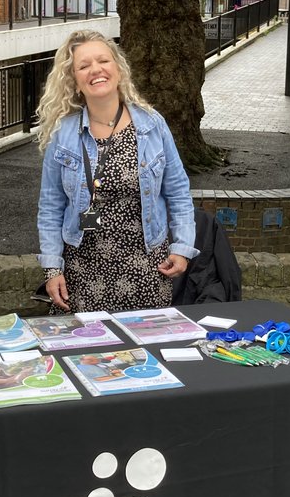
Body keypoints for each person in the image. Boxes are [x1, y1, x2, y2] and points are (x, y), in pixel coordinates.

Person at [36, 29, 197, 313]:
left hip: (146, 267)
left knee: (146, 351)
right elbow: (50, 206)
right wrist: (52, 268)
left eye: (103, 61)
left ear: (118, 69)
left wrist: (182, 248)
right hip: (82, 271)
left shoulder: (151, 125)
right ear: (75, 82)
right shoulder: (63, 134)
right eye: (84, 66)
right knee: (86, 354)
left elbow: (178, 191)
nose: (95, 70)